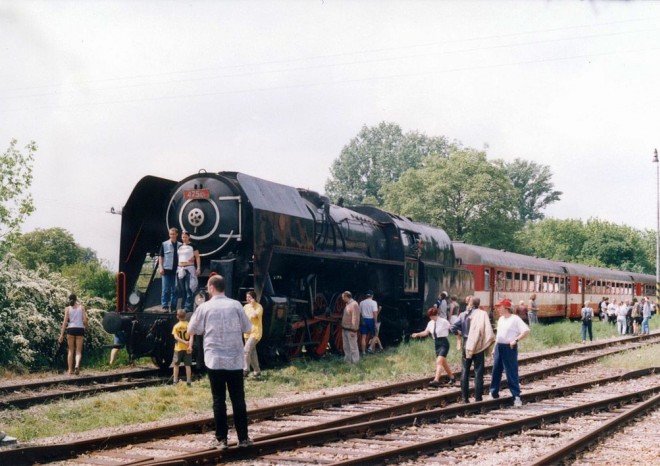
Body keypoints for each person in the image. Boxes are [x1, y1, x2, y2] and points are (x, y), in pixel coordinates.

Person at [187, 275, 253, 449]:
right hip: (235, 360)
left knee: (218, 400)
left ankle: (221, 440)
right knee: (238, 399)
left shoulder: (204, 307)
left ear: (210, 288)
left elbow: (191, 329)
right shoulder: (236, 305)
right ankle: (243, 439)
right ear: (223, 288)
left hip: (214, 360)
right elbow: (248, 328)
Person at [489, 298, 530, 407]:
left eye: (500, 307)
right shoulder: (501, 319)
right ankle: (493, 393)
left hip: (509, 347)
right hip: (499, 346)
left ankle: (516, 396)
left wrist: (516, 340)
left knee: (511, 372)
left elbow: (526, 331)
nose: (498, 309)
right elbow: (498, 336)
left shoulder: (515, 319)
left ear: (506, 308)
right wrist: (494, 348)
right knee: (496, 370)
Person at [451, 296, 493, 403]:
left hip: (467, 345)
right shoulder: (482, 314)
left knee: (465, 371)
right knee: (478, 371)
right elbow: (488, 331)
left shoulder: (462, 315)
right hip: (478, 346)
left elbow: (453, 327)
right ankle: (478, 398)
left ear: (470, 304)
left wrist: (459, 333)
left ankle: (465, 398)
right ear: (478, 304)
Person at [411, 307, 456, 387]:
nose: (431, 318)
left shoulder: (443, 321)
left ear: (437, 314)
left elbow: (451, 328)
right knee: (443, 362)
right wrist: (417, 334)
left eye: (433, 316)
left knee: (439, 361)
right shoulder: (430, 323)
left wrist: (458, 334)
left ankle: (436, 380)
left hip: (444, 343)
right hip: (436, 343)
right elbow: (426, 332)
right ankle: (452, 378)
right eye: (430, 316)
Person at [58, 293, 88, 375]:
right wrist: (86, 327)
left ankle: (70, 370)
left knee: (71, 350)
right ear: (76, 299)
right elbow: (85, 320)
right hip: (80, 329)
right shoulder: (82, 307)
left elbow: (65, 322)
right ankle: (77, 365)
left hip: (70, 329)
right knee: (78, 350)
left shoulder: (67, 309)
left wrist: (61, 334)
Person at [177, 231, 201, 312]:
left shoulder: (193, 245)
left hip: (189, 268)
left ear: (189, 237)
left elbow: (197, 257)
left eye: (186, 237)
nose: (184, 239)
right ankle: (183, 306)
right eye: (183, 237)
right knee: (182, 288)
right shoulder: (179, 246)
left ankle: (188, 307)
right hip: (180, 268)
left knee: (188, 288)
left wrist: (198, 268)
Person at [158, 227, 181, 311]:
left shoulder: (180, 245)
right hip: (166, 270)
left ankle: (174, 307)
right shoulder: (164, 244)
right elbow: (161, 256)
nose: (172, 236)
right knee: (165, 289)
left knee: (175, 289)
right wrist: (160, 267)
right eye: (171, 234)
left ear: (177, 234)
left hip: (177, 270)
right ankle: (165, 306)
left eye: (174, 234)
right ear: (169, 234)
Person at [243, 290, 263, 378]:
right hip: (247, 332)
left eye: (249, 297)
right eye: (247, 297)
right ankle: (257, 371)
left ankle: (245, 370)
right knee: (252, 352)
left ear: (254, 298)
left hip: (256, 332)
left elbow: (254, 315)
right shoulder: (245, 307)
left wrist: (252, 306)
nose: (247, 299)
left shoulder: (259, 307)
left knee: (246, 350)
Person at [172, 309, 192, 386]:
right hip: (187, 348)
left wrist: (183, 342)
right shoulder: (189, 325)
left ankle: (175, 380)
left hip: (178, 348)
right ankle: (189, 381)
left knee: (176, 365)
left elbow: (176, 337)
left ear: (177, 317)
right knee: (187, 365)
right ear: (186, 316)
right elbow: (191, 336)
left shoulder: (176, 326)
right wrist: (188, 344)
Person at [341, 291, 360, 364]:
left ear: (346, 296)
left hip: (351, 330)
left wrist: (354, 330)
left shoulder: (354, 304)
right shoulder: (347, 304)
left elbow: (356, 318)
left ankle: (355, 362)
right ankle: (347, 362)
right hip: (345, 329)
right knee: (346, 347)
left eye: (343, 297)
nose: (342, 299)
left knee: (353, 347)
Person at [359, 290, 378, 355]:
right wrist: (375, 322)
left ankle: (363, 352)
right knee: (375, 335)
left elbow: (360, 313)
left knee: (363, 337)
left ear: (366, 296)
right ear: (372, 295)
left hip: (363, 320)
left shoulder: (361, 303)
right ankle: (370, 348)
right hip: (371, 320)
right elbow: (375, 313)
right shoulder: (374, 302)